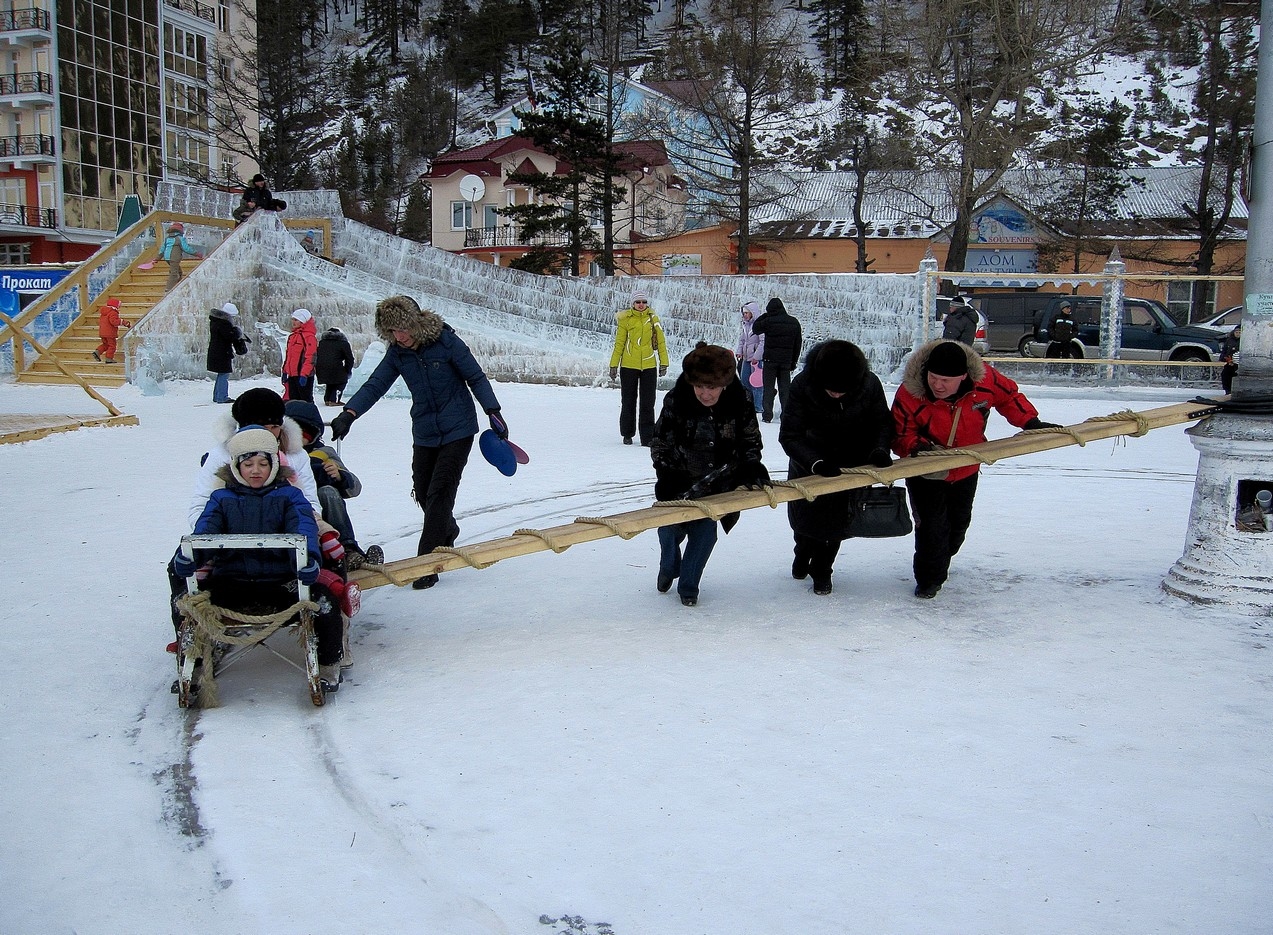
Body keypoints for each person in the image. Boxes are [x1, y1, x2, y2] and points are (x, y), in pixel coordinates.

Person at [330, 295, 504, 591]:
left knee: (439, 491)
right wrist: (350, 413)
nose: (400, 337)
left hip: (458, 428)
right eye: (393, 332)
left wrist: (493, 411)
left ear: (416, 324)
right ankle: (447, 528)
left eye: (403, 330)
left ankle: (426, 563)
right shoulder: (397, 352)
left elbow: (475, 377)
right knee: (423, 491)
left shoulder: (446, 342)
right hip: (424, 429)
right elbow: (376, 384)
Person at [172, 425, 344, 692]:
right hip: (232, 583)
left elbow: (304, 529)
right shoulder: (221, 499)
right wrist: (192, 557)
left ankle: (328, 664)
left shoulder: (290, 496)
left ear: (274, 465)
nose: (255, 470)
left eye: (263, 463)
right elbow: (206, 532)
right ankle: (192, 667)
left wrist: (308, 559)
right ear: (236, 467)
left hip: (282, 584)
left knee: (325, 603)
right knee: (184, 603)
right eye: (248, 463)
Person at [891, 340, 1059, 600]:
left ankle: (941, 557)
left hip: (967, 467)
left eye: (946, 380)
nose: (937, 385)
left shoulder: (985, 381)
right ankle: (929, 579)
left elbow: (1010, 397)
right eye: (933, 378)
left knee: (958, 524)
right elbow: (900, 433)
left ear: (964, 377)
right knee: (932, 528)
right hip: (926, 471)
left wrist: (1030, 421)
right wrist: (916, 446)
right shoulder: (910, 393)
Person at [651, 341, 771, 607]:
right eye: (700, 387)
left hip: (718, 483)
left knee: (706, 534)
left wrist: (752, 466)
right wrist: (667, 472)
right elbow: (660, 442)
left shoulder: (741, 401)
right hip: (679, 479)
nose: (706, 394)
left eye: (712, 387)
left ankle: (689, 587)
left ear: (725, 384)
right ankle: (669, 566)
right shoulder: (676, 399)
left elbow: (750, 440)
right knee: (670, 530)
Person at [779, 340, 894, 596]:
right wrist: (815, 462)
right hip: (809, 465)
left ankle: (823, 570)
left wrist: (879, 450)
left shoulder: (870, 385)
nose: (837, 395)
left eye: (843, 390)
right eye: (831, 390)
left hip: (852, 466)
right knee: (806, 522)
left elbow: (882, 424)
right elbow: (790, 435)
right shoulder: (802, 385)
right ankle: (802, 552)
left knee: (839, 524)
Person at [283, 399, 384, 571]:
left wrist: (340, 476)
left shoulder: (323, 453)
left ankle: (347, 548)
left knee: (328, 492)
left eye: (304, 433)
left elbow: (355, 488)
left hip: (323, 510)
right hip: (294, 509)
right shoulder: (278, 455)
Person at [608, 290, 668, 446]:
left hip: (649, 365)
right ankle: (627, 433)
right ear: (633, 304)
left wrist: (664, 362)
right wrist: (613, 365)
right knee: (628, 401)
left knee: (648, 403)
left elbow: (661, 341)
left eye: (644, 302)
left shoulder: (653, 319)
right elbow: (619, 343)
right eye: (638, 302)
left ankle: (647, 437)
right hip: (629, 365)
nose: (641, 305)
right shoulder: (625, 320)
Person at [751, 296, 802, 423]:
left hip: (770, 361)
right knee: (785, 389)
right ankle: (785, 415)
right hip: (786, 361)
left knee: (768, 388)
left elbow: (756, 328)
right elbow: (798, 344)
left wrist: (765, 315)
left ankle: (767, 415)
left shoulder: (769, 321)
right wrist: (793, 361)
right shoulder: (793, 322)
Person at [206, 301, 249, 404]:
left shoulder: (216, 321)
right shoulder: (224, 323)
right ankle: (222, 397)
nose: (232, 319)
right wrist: (237, 332)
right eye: (232, 316)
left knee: (221, 374)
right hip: (222, 353)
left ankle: (217, 396)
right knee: (224, 374)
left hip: (216, 352)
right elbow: (229, 336)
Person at [735, 300, 764, 413]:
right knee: (744, 380)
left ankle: (758, 407)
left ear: (752, 313)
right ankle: (747, 404)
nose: (745, 315)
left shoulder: (759, 325)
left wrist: (757, 356)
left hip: (756, 359)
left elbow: (763, 342)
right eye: (743, 313)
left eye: (746, 313)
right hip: (746, 357)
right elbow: (742, 340)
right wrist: (739, 351)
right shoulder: (745, 325)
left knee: (756, 383)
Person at [283, 308, 317, 402]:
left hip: (303, 375)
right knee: (293, 401)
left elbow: (311, 356)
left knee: (305, 400)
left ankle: (309, 416)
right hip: (292, 375)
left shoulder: (309, 337)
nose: (293, 322)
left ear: (303, 321)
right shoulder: (293, 336)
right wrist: (285, 371)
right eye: (293, 319)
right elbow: (288, 356)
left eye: (296, 320)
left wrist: (304, 374)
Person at [316, 326, 355, 406]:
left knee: (330, 382)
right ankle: (334, 400)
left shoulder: (322, 342)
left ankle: (327, 399)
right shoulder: (343, 343)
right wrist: (347, 371)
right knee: (341, 381)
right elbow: (350, 359)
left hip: (321, 368)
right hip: (335, 368)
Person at [161, 222, 201, 293]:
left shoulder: (167, 239)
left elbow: (162, 249)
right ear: (180, 231)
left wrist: (157, 258)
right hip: (174, 258)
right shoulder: (180, 238)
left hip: (167, 258)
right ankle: (168, 289)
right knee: (174, 273)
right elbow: (186, 248)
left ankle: (178, 285)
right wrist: (196, 253)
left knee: (178, 272)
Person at [92, 297, 130, 364]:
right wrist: (123, 322)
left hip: (102, 332)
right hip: (110, 333)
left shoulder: (104, 313)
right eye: (118, 306)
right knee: (112, 346)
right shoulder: (113, 313)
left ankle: (97, 351)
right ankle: (109, 358)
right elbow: (114, 322)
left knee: (106, 345)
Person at [1220, 323, 1241, 394]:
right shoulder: (1229, 340)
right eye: (1236, 332)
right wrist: (1225, 359)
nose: (1238, 334)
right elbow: (1224, 352)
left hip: (1238, 364)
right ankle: (1227, 390)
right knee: (1225, 374)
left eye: (1239, 332)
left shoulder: (1243, 341)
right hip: (1229, 362)